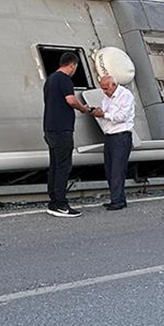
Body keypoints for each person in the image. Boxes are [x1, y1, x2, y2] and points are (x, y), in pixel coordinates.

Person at [43, 52, 99, 217]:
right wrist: (84, 109)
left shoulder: (50, 80)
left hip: (50, 128)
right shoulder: (64, 79)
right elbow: (71, 100)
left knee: (54, 166)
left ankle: (53, 201)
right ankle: (61, 204)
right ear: (72, 65)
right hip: (62, 129)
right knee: (63, 167)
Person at [92, 74, 135, 210]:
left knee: (117, 169)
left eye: (106, 88)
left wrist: (103, 114)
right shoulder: (107, 98)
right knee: (110, 169)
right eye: (102, 89)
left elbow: (121, 116)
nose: (104, 91)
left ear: (114, 85)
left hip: (121, 135)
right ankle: (117, 198)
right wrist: (98, 112)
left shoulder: (125, 95)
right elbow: (106, 114)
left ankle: (117, 200)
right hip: (110, 135)